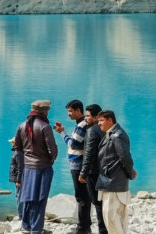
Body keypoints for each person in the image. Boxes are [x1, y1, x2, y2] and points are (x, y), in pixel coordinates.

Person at [14, 99, 57, 234]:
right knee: (40, 198)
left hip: (27, 168)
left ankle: (26, 225)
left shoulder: (22, 126)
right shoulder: (45, 127)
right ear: (44, 112)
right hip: (42, 168)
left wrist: (24, 164)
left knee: (27, 197)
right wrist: (50, 161)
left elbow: (18, 148)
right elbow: (53, 150)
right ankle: (36, 229)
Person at [95, 110, 137, 234]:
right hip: (111, 182)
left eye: (101, 120)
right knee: (116, 219)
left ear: (110, 120)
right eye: (98, 121)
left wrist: (130, 173)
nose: (99, 123)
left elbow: (125, 158)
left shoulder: (116, 135)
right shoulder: (112, 133)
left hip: (114, 183)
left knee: (111, 217)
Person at [54, 99, 90, 234]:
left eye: (70, 111)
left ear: (78, 110)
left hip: (78, 164)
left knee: (81, 197)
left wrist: (62, 133)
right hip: (79, 163)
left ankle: (82, 228)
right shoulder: (81, 124)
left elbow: (73, 144)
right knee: (84, 196)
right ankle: (86, 225)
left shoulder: (81, 125)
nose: (68, 114)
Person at [78, 104, 107, 234]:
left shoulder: (91, 131)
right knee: (104, 202)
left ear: (96, 117)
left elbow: (89, 154)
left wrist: (83, 173)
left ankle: (102, 230)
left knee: (97, 203)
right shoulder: (106, 129)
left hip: (93, 172)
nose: (85, 118)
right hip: (105, 171)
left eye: (88, 116)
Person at [9, 137, 25, 220]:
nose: (11, 143)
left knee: (19, 196)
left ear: (15, 143)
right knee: (18, 195)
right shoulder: (17, 152)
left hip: (19, 180)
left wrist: (18, 180)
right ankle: (22, 214)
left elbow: (20, 168)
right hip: (18, 179)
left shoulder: (18, 153)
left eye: (12, 142)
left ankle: (21, 216)